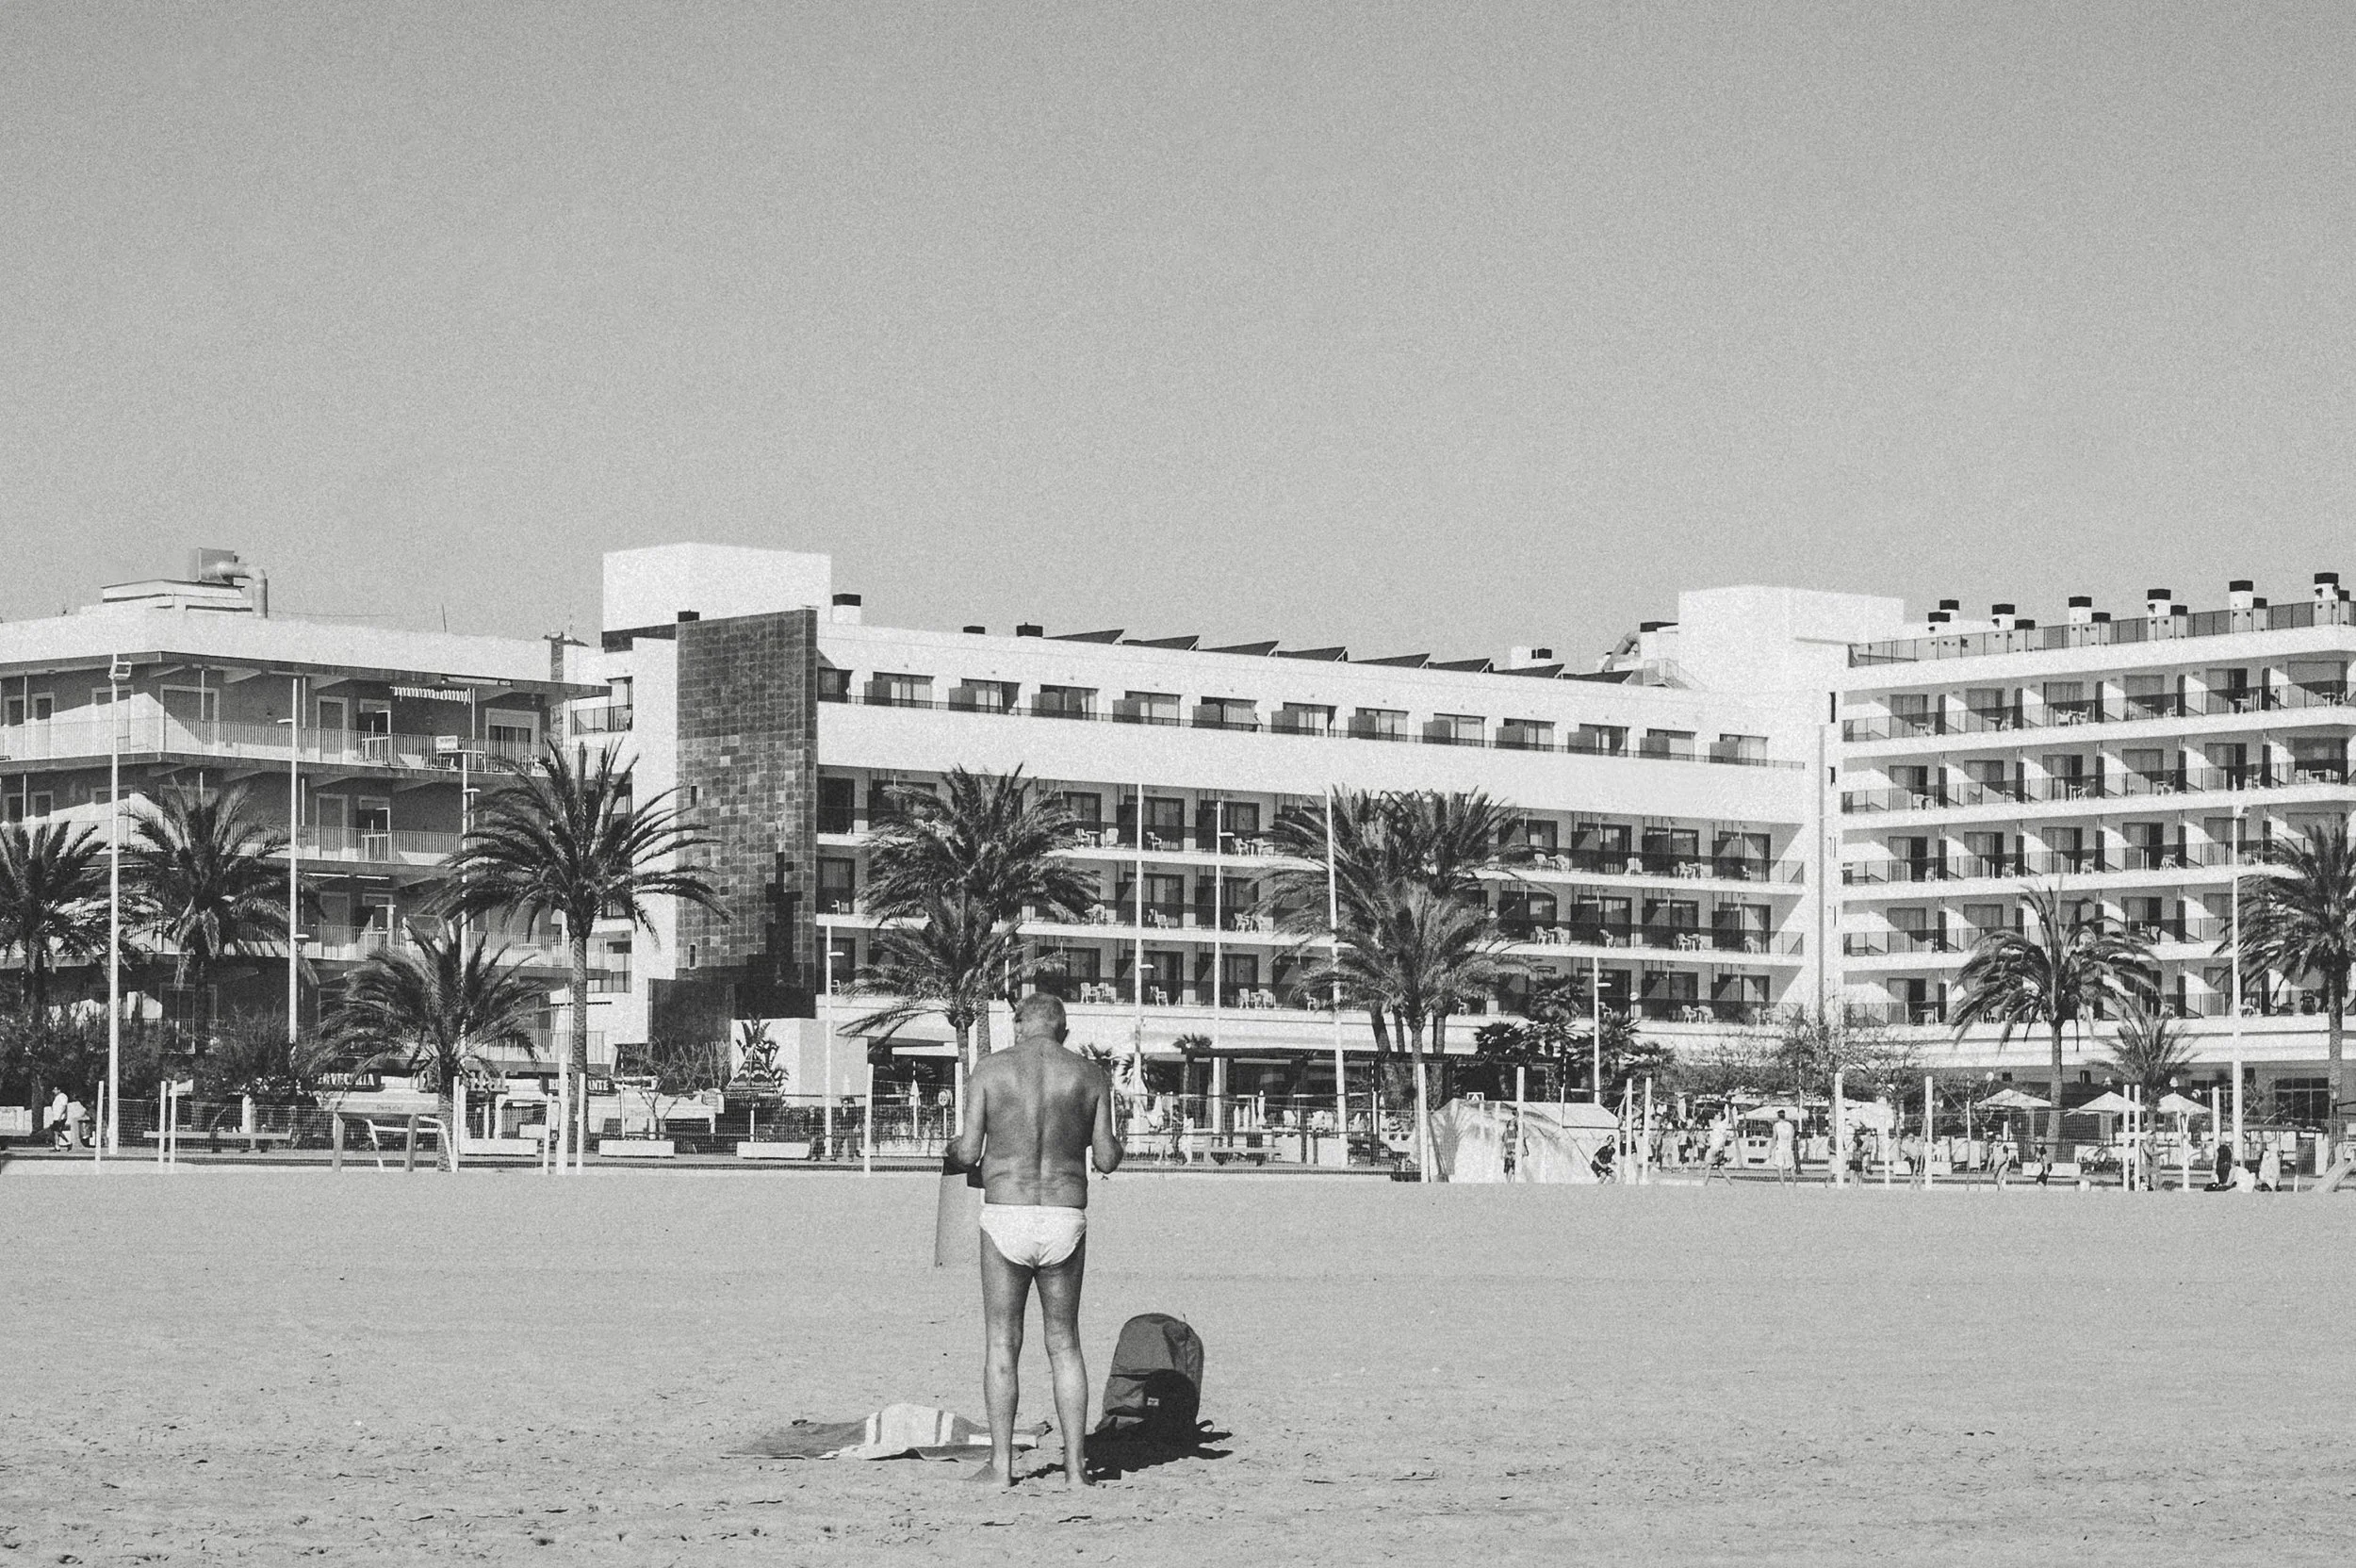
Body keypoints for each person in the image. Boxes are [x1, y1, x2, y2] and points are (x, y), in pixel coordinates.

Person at [947, 993, 1122, 1491]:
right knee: (1065, 1344)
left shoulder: (990, 1068)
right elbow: (1107, 1160)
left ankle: (1001, 1468)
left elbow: (966, 1150)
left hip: (1006, 1214)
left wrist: (954, 1155)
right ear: (1063, 1030)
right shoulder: (1091, 1075)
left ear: (1020, 1026)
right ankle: (1075, 1470)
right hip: (1064, 1215)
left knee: (1003, 1343)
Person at [1768, 1109, 1797, 1185]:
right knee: (1791, 1166)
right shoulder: (1790, 1125)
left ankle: (1782, 1183)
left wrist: (1770, 1150)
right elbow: (1792, 1138)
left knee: (1780, 1166)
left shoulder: (1776, 1125)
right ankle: (1794, 1183)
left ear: (1778, 1116)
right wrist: (1792, 1147)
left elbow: (1774, 1138)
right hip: (1788, 1147)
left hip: (1780, 1146)